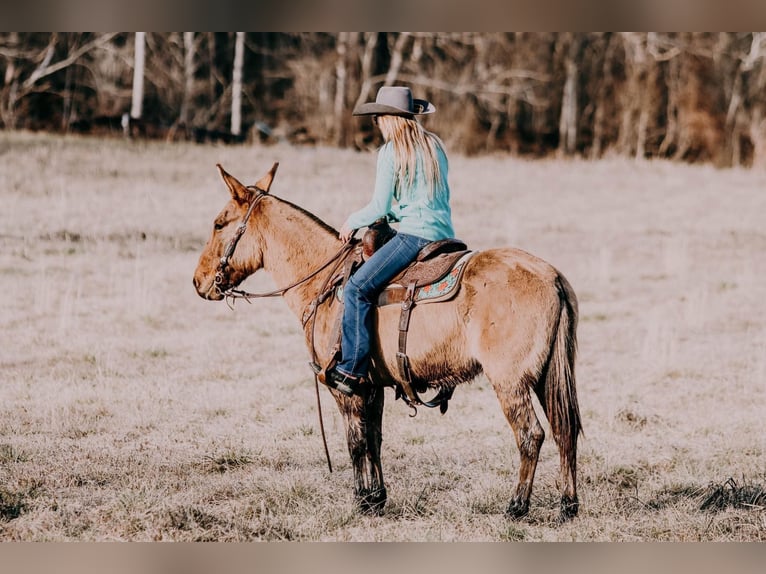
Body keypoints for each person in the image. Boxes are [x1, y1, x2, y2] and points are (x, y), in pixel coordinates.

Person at [323, 85, 455, 397]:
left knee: (357, 289)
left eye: (378, 118)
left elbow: (378, 208)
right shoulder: (434, 146)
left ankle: (352, 369)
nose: (378, 124)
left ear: (388, 119)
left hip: (413, 236)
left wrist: (351, 221)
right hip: (445, 235)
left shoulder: (391, 152)